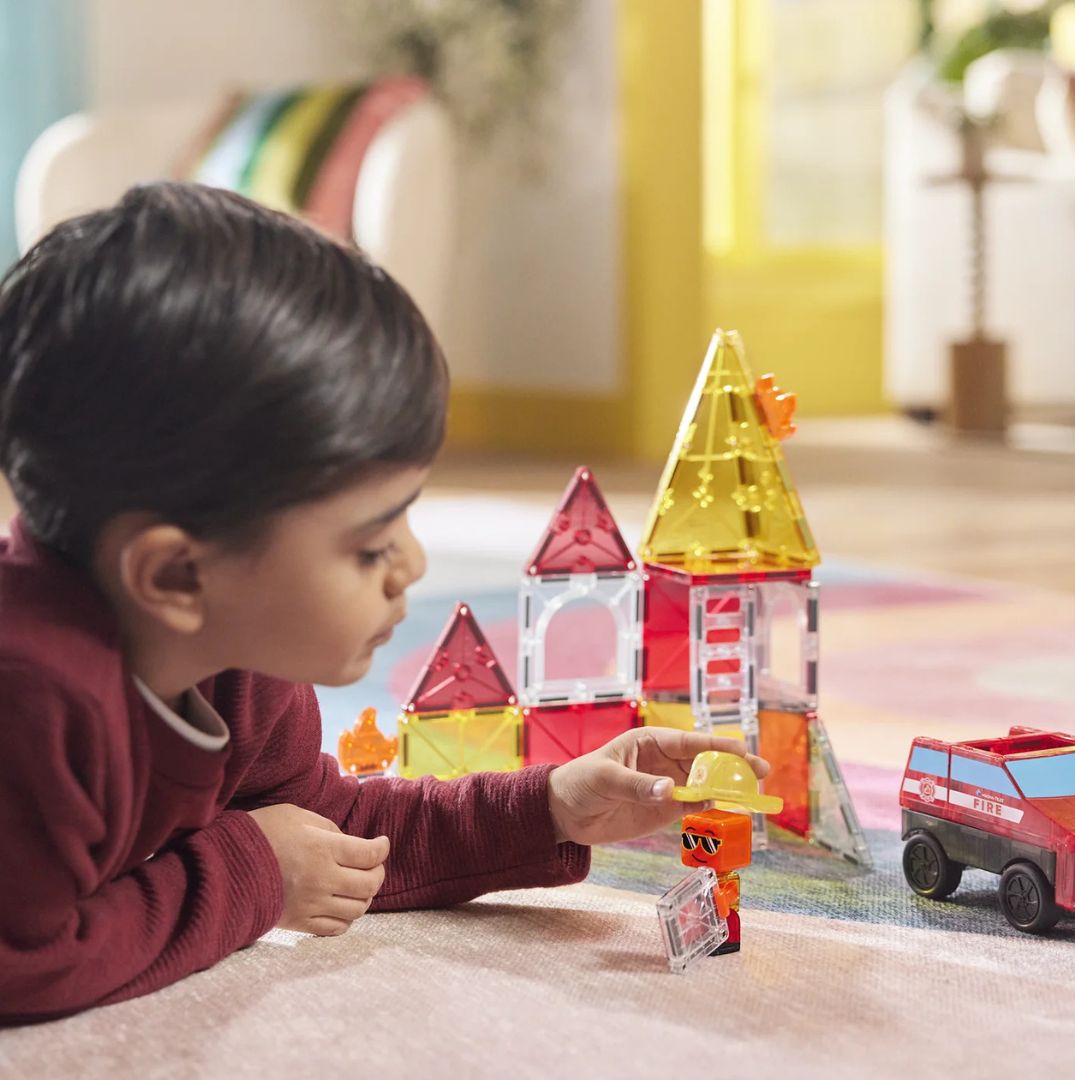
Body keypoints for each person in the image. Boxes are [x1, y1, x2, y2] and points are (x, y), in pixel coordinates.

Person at [0, 183, 766, 1024]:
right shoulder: (34, 698)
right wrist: (252, 872)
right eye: (369, 546)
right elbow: (24, 961)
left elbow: (337, 832)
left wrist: (551, 806)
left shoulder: (239, 656)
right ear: (178, 576)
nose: (413, 564)